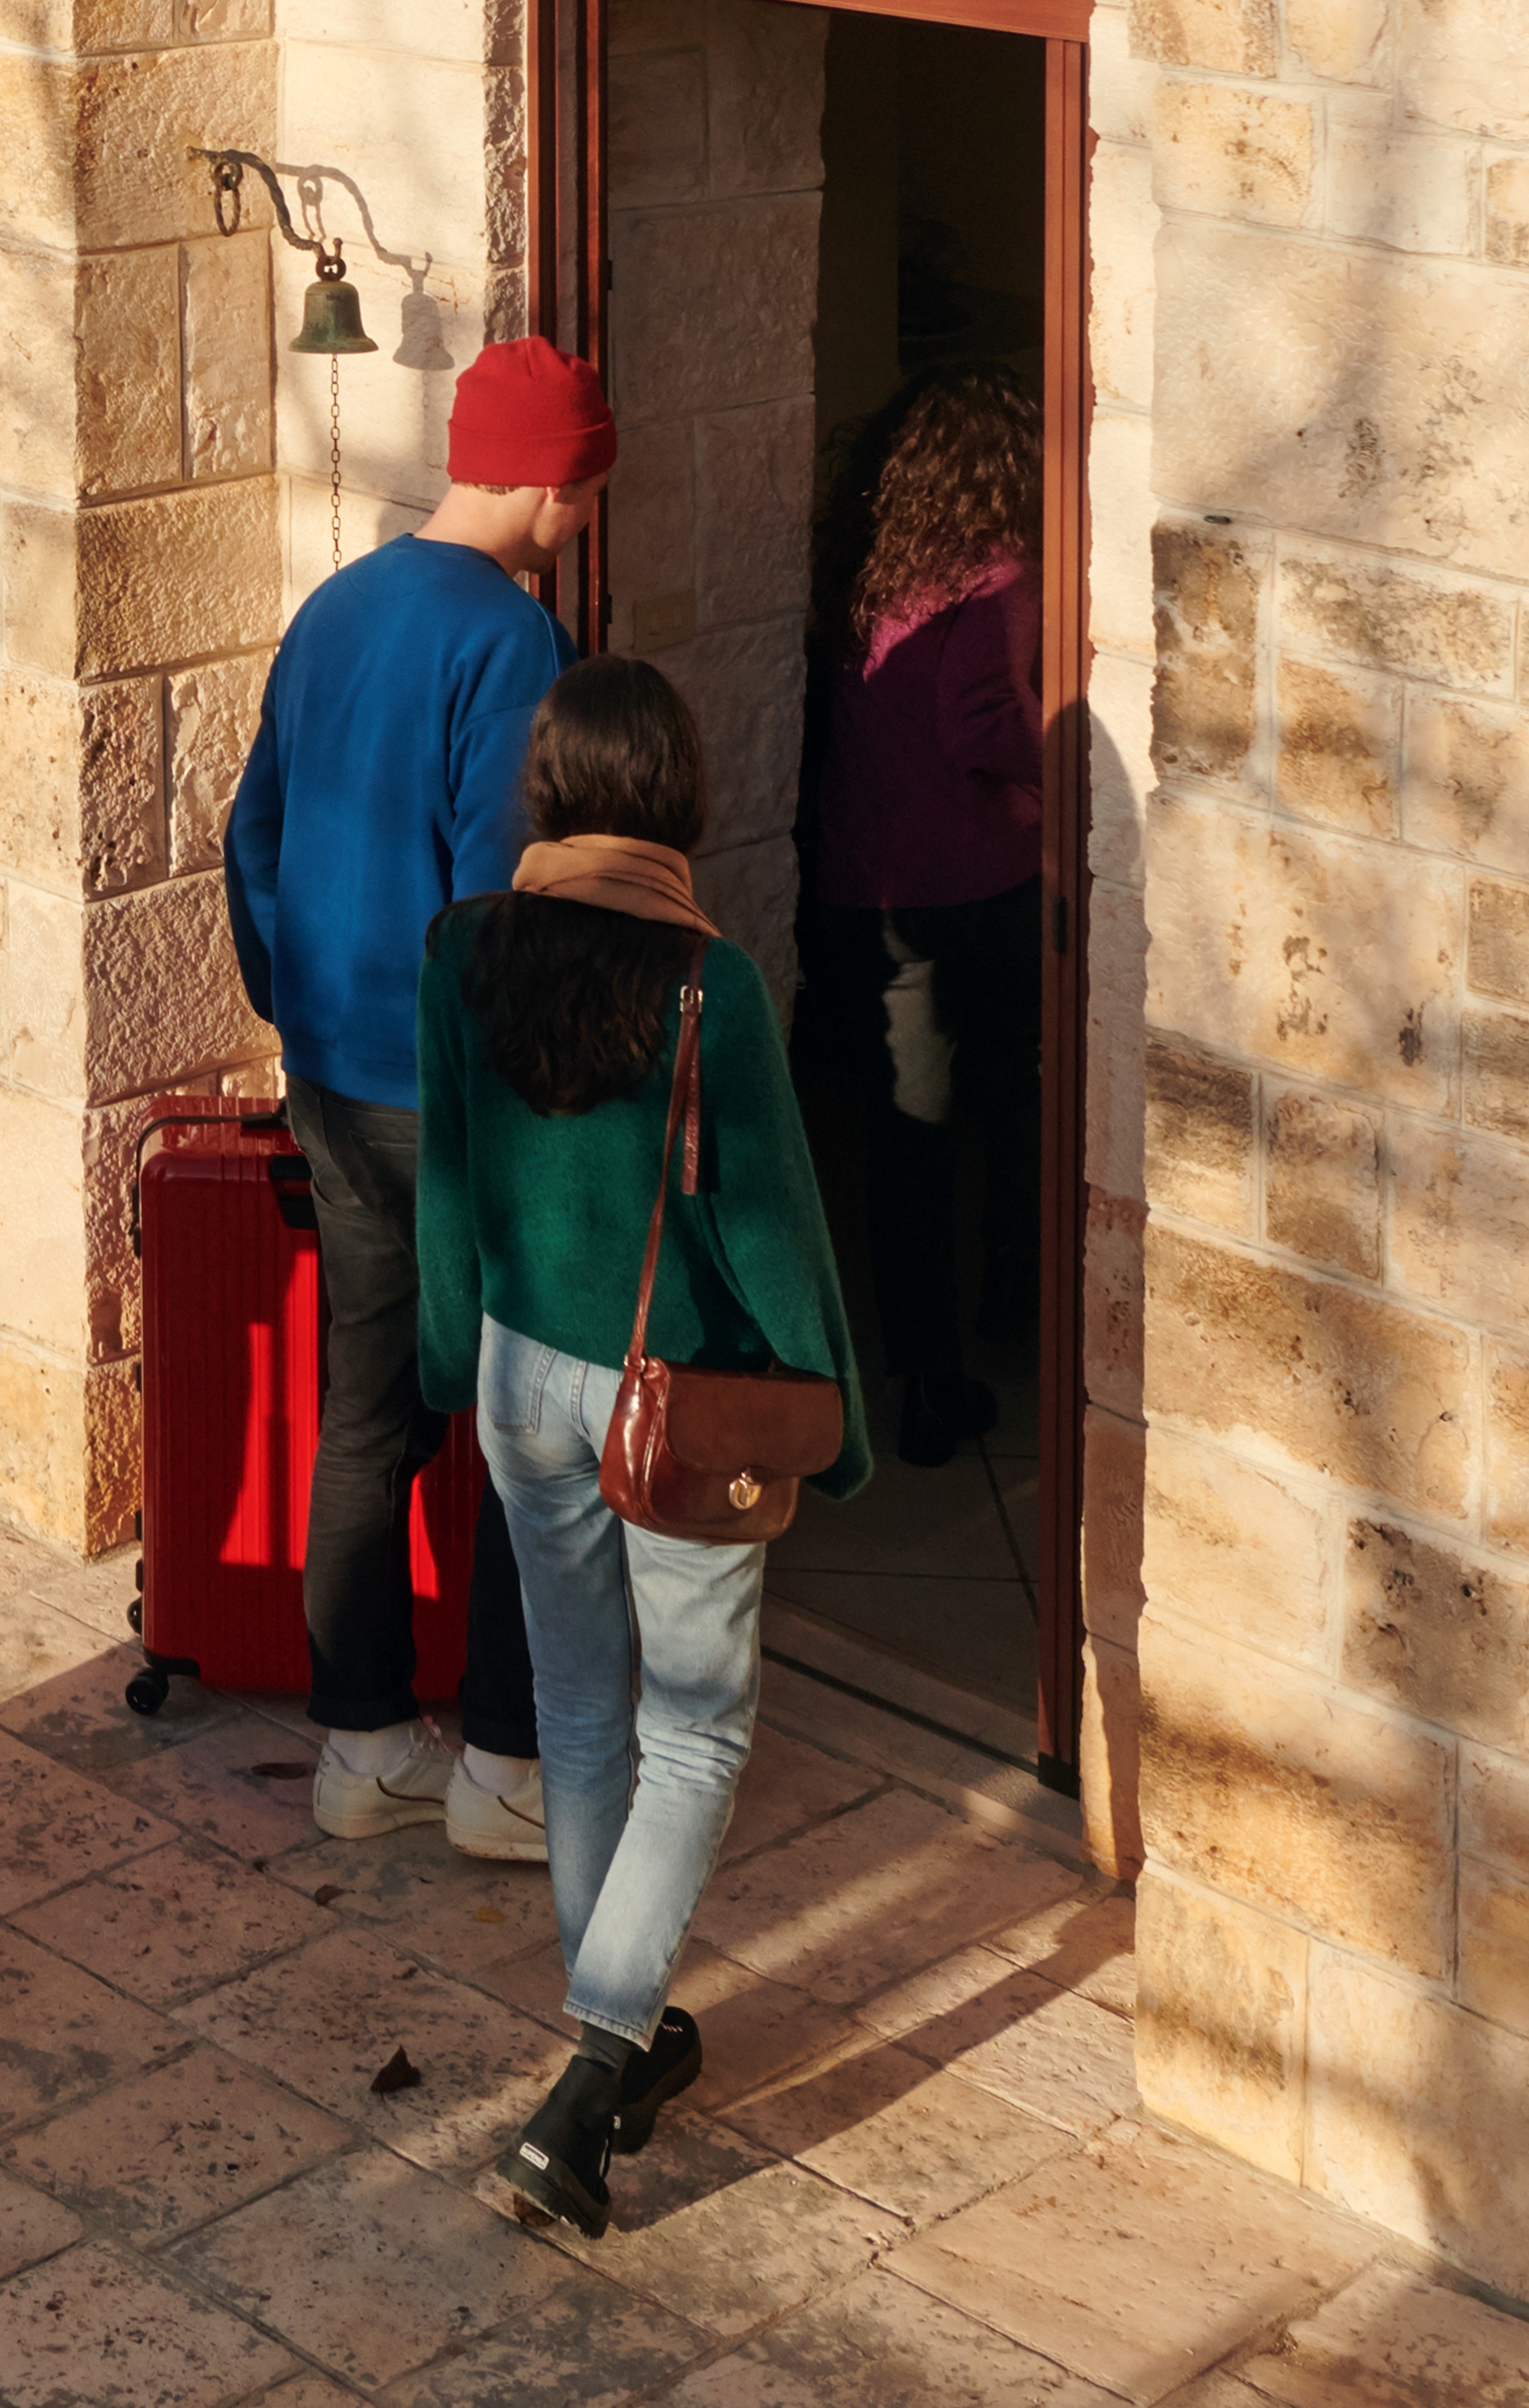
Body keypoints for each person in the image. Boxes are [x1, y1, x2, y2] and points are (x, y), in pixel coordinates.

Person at [418, 655, 864, 2240]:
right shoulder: (708, 983)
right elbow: (770, 1223)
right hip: (667, 1394)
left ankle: (608, 2031)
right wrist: (831, 1399)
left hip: (518, 1377)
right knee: (695, 1731)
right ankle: (591, 2077)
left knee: (582, 1712)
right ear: (679, 793)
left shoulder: (465, 946)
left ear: (548, 790)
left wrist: (440, 1350)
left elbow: (450, 1180)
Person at [221, 332, 602, 1856]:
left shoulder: (335, 605)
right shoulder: (512, 641)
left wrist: (294, 999)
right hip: (455, 1095)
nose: (577, 515)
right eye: (581, 483)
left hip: (333, 1071)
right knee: (523, 1427)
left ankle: (361, 1747)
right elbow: (493, 899)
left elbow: (250, 828)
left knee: (367, 1417)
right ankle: (505, 1771)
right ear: (551, 478)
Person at [797, 368, 1043, 1471]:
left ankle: (924, 1380)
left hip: (863, 890)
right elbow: (981, 724)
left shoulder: (868, 575)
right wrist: (1069, 767)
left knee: (905, 1143)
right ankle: (1016, 1297)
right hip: (978, 891)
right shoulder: (998, 579)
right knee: (1025, 1095)